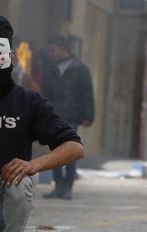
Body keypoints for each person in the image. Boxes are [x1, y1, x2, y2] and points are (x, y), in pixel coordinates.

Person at [0, 14, 84, 232]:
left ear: (10, 58)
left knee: (21, 181)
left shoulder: (28, 102)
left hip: (3, 200)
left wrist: (32, 165)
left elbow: (74, 147)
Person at [41, 36, 95, 200]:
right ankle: (58, 186)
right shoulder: (50, 68)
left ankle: (68, 187)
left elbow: (87, 93)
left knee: (70, 151)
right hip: (55, 115)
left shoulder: (80, 68)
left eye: (53, 50)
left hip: (72, 115)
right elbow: (45, 92)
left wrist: (88, 116)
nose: (51, 53)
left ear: (62, 48)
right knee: (55, 151)